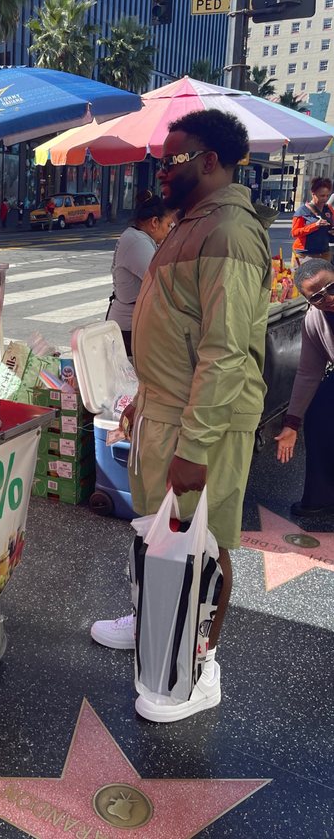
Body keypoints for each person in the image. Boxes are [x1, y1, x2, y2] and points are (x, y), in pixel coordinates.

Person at [91, 109, 274, 723]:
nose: (161, 169)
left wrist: (194, 444)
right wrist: (143, 400)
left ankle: (201, 666)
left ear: (210, 161)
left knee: (206, 544)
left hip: (205, 423)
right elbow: (176, 325)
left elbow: (225, 351)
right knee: (159, 531)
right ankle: (153, 623)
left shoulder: (228, 230)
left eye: (172, 159)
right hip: (164, 411)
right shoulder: (190, 224)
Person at [274, 258, 334, 515]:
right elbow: (309, 372)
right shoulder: (313, 320)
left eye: (331, 288)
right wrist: (291, 423)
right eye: (318, 297)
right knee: (319, 410)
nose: (328, 298)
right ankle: (321, 497)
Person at [106, 190, 175, 355]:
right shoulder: (137, 242)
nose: (169, 231)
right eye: (168, 225)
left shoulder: (139, 238)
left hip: (131, 325)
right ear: (154, 223)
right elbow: (163, 281)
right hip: (128, 329)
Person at [291, 177, 333, 264]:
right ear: (313, 194)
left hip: (324, 253)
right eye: (322, 195)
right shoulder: (302, 210)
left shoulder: (328, 209)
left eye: (327, 195)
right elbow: (294, 233)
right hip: (305, 254)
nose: (325, 199)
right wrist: (315, 225)